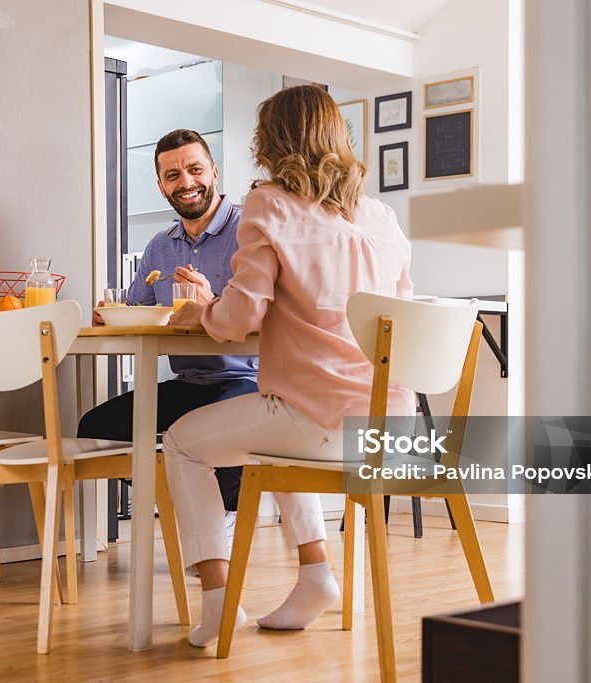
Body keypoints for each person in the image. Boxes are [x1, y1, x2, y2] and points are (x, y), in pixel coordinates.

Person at [162, 85, 414, 647]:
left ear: (270, 141)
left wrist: (199, 311)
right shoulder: (382, 218)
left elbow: (237, 316)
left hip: (316, 416)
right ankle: (316, 575)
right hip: (389, 424)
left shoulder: (270, 203)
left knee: (181, 444)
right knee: (268, 434)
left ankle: (219, 600)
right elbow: (399, 315)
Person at [78, 129, 258, 516]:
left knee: (219, 436)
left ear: (214, 172)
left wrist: (212, 303)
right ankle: (180, 496)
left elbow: (267, 313)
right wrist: (110, 315)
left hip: (248, 379)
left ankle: (223, 515)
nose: (186, 182)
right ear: (161, 187)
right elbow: (134, 307)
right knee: (97, 429)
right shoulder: (161, 246)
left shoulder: (250, 231)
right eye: (173, 175)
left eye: (195, 169)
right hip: (190, 382)